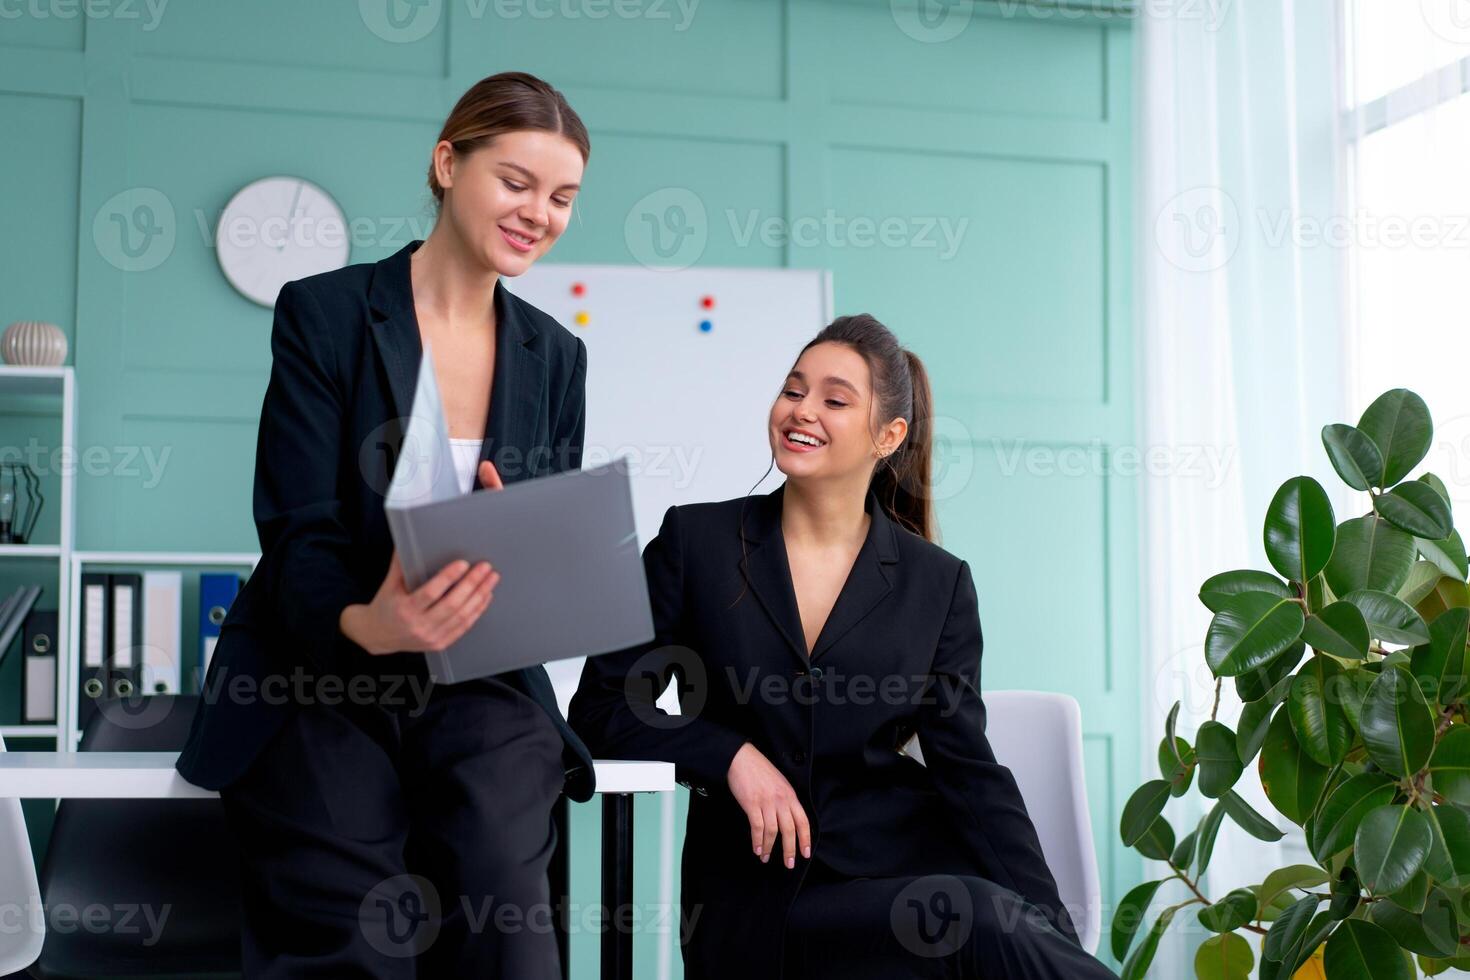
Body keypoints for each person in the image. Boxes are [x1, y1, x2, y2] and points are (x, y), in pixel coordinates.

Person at [176, 71, 594, 978]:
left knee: (507, 927)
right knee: (358, 930)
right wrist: (370, 622)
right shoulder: (325, 314)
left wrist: (514, 547)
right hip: (322, 672)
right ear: (449, 164)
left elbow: (543, 546)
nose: (540, 213)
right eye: (516, 183)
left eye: (562, 197)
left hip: (480, 685)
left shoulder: (557, 357)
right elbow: (297, 531)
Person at [569, 314, 1119, 979]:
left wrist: (1049, 931)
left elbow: (968, 772)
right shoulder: (696, 544)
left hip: (904, 871)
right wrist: (730, 754)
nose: (801, 411)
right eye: (793, 389)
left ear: (888, 436)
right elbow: (603, 710)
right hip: (752, 903)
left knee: (985, 919)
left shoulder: (937, 583)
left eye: (834, 399)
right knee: (973, 917)